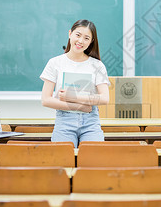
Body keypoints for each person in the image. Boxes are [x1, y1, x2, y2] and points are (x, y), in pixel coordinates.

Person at [40, 19, 110, 147]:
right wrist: (80, 106)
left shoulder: (97, 65)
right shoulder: (55, 63)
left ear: (91, 42)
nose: (81, 41)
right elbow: (45, 100)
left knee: (92, 159)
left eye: (86, 38)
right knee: (62, 159)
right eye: (78, 35)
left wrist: (74, 97)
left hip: (91, 121)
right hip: (64, 120)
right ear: (70, 34)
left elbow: (105, 98)